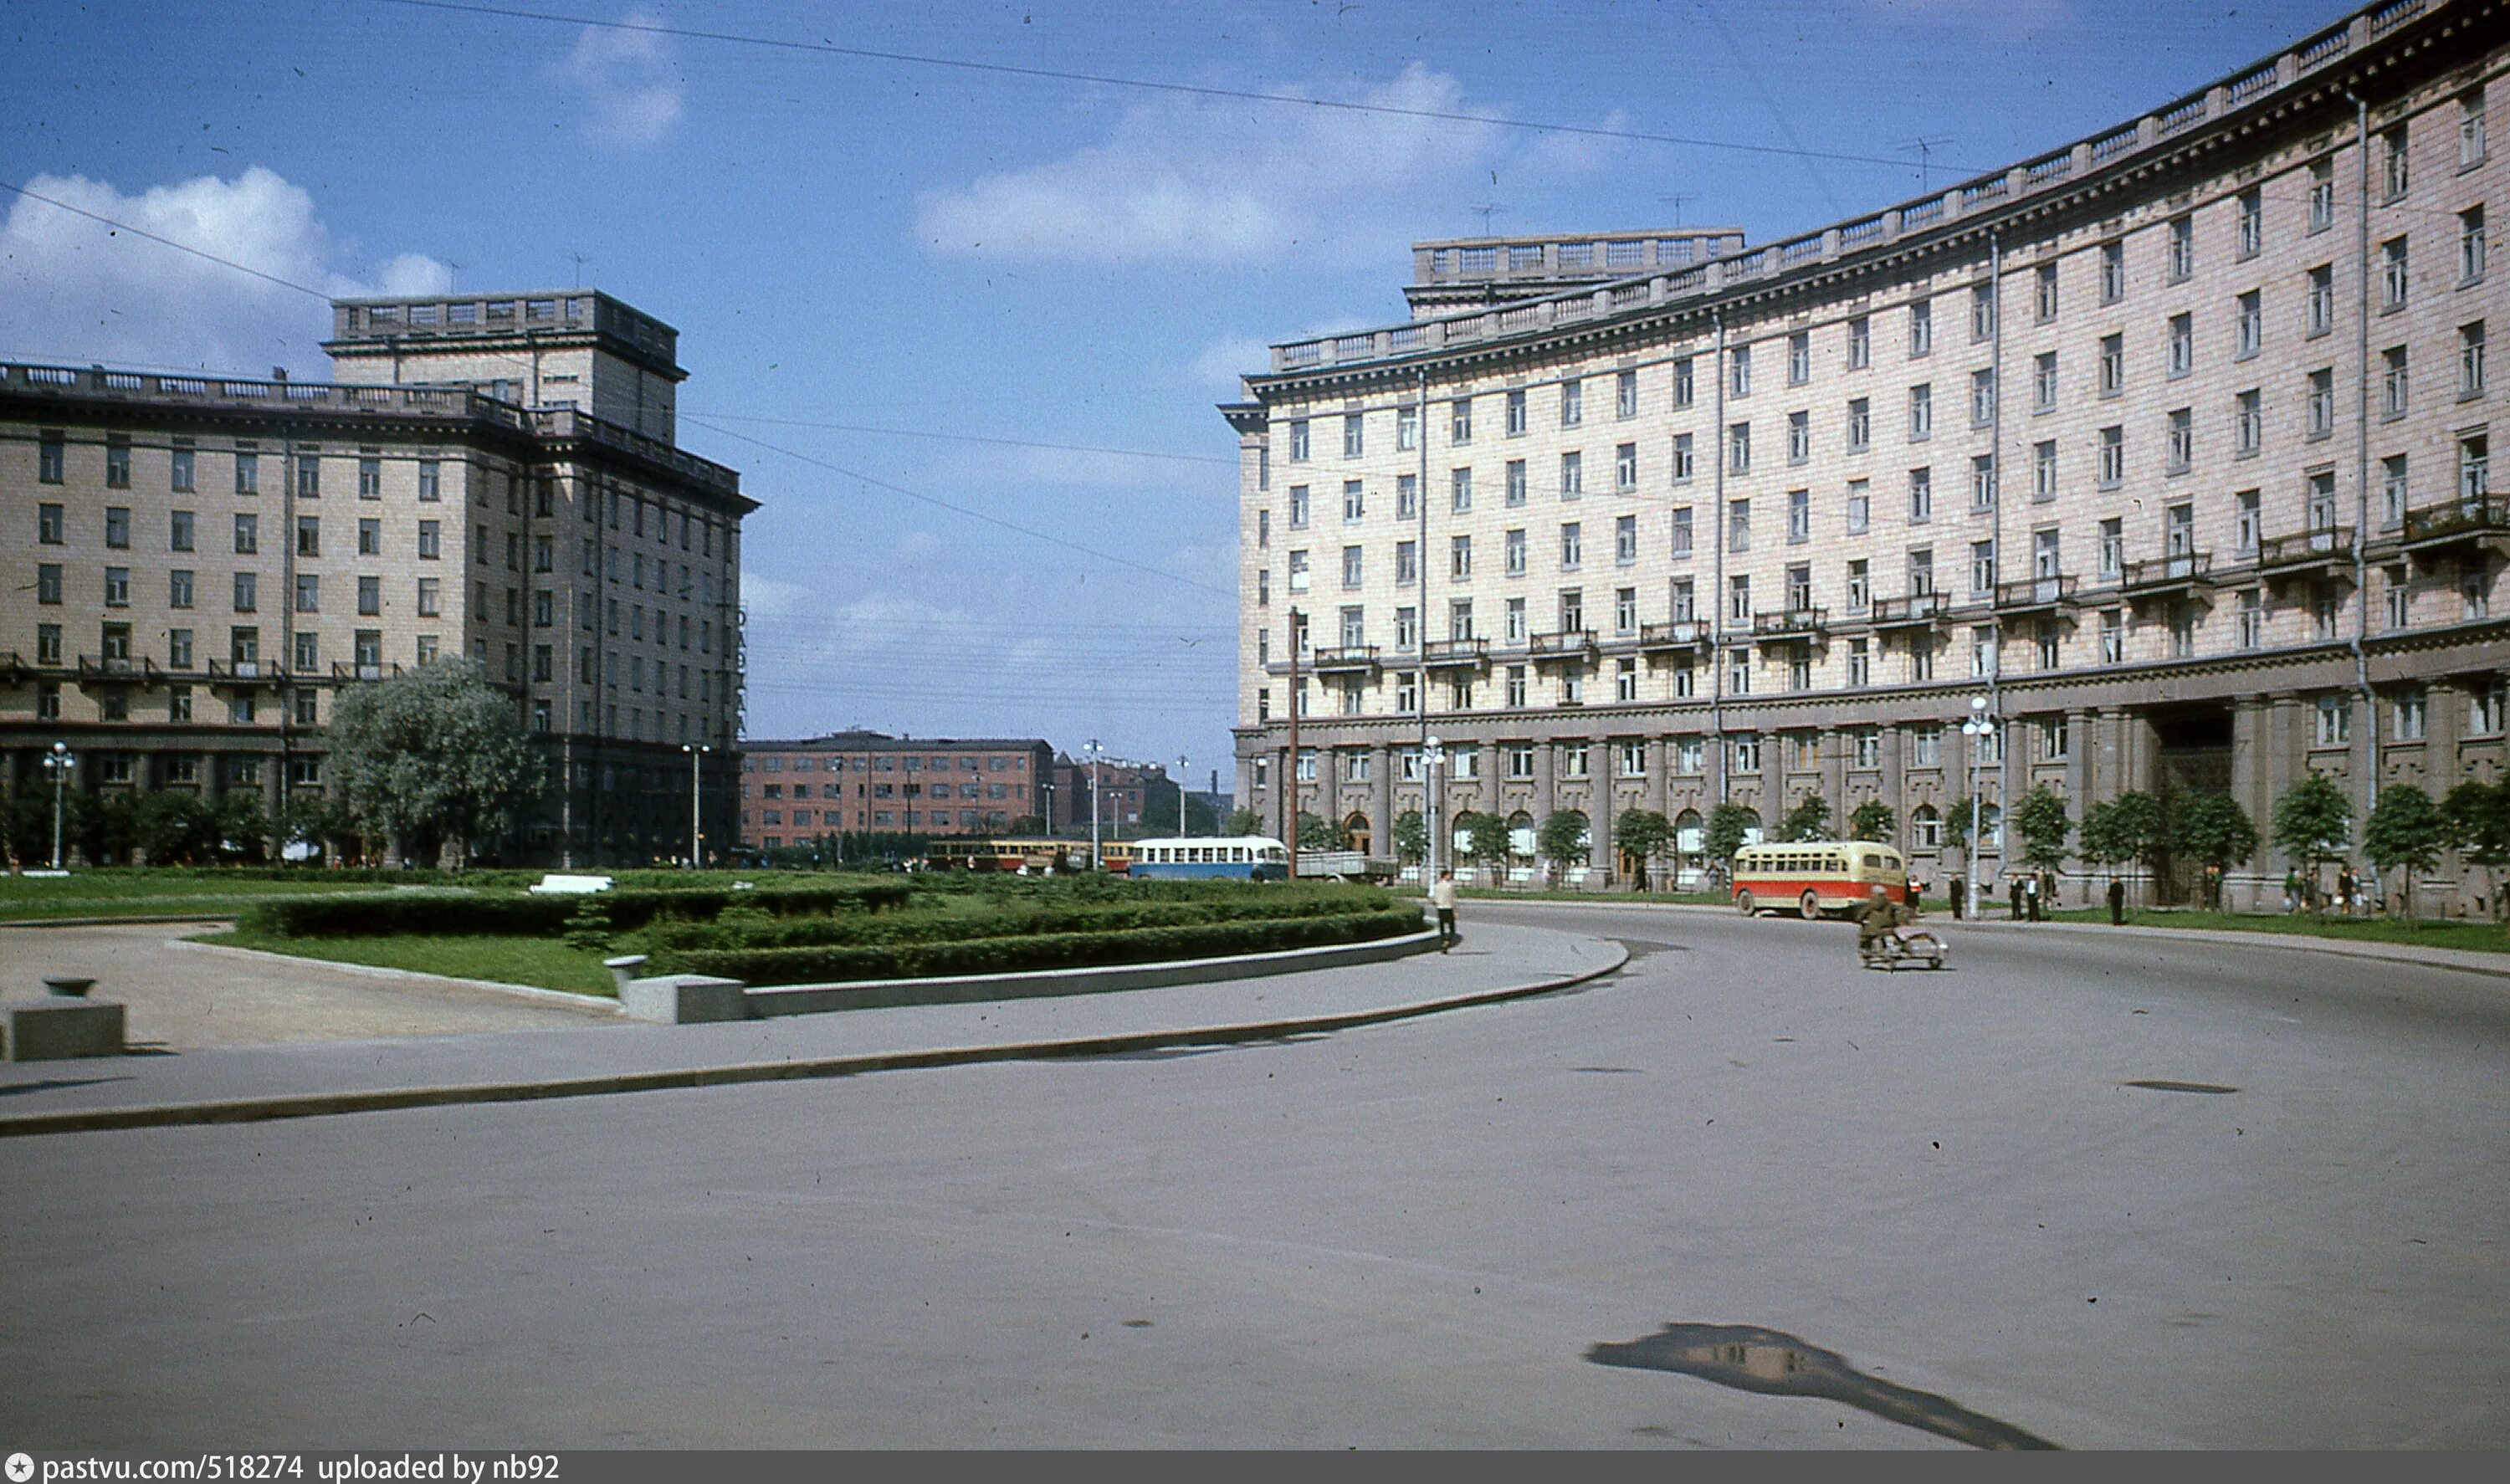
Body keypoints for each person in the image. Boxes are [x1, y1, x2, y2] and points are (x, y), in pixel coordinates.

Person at [1429, 869, 1460, 951]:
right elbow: (1453, 899)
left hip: (1440, 908)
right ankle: (1447, 941)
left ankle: (1443, 943)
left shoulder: (1437, 886)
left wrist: (1437, 902)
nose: (1449, 876)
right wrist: (1455, 911)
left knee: (1442, 926)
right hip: (1448, 908)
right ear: (1445, 876)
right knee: (1451, 928)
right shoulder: (1450, 886)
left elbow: (1434, 899)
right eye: (1448, 875)